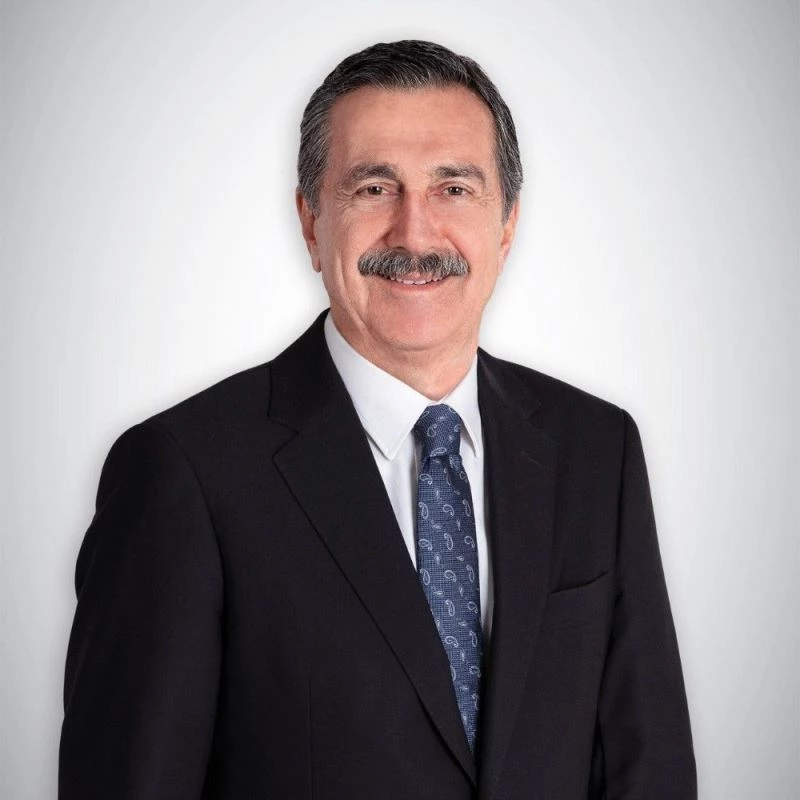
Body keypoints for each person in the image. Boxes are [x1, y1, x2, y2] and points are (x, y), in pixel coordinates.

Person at [59, 40, 697, 799]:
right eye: (372, 188)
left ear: (506, 226)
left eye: (453, 188)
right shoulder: (184, 473)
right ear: (311, 223)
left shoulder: (596, 450)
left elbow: (649, 771)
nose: (415, 235)